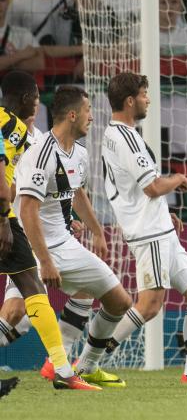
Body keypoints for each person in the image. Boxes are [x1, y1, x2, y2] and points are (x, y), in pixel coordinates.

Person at [100, 72, 187, 382]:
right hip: (149, 234)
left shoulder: (118, 135)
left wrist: (163, 213)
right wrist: (178, 179)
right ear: (130, 101)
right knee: (150, 306)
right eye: (144, 94)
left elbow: (133, 188)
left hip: (159, 228)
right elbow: (152, 187)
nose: (148, 100)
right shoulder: (126, 138)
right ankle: (93, 356)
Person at [13, 86, 133, 388]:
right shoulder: (41, 153)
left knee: (119, 301)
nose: (92, 117)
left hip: (65, 243)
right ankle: (60, 365)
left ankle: (85, 366)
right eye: (88, 110)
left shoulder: (78, 154)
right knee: (14, 318)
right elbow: (27, 211)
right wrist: (45, 261)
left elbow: (75, 192)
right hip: (31, 245)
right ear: (72, 114)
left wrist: (95, 230)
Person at [0, 70, 97, 390]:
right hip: (14, 223)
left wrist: (66, 219)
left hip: (31, 225)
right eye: (37, 100)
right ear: (28, 101)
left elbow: (45, 186)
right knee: (23, 304)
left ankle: (60, 365)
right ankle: (62, 369)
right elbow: (12, 188)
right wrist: (4, 218)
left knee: (33, 300)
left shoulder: (32, 139)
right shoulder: (12, 128)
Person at [0, 0, 45, 73]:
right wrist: (21, 55)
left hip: (13, 86)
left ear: (8, 1)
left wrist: (5, 63)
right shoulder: (23, 51)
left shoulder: (22, 33)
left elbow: (40, 64)